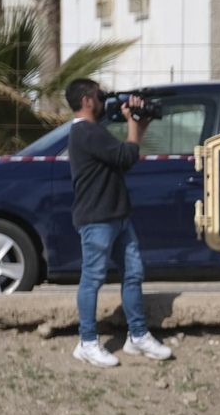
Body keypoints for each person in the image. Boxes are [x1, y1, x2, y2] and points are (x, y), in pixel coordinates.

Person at [64, 79, 173, 367]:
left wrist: (140, 124)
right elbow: (127, 155)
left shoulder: (91, 132)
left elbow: (123, 157)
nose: (103, 101)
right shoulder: (86, 132)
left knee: (133, 274)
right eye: (99, 95)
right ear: (87, 101)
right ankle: (87, 342)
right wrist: (132, 120)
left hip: (117, 216)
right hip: (97, 219)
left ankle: (137, 336)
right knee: (92, 279)